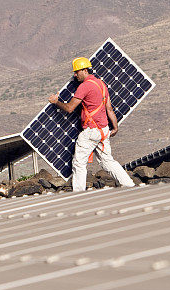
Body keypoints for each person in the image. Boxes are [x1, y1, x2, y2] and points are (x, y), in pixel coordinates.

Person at [48, 57, 135, 192]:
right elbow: (109, 109)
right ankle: (129, 185)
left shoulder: (84, 86)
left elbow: (70, 108)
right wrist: (115, 126)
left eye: (77, 72)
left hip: (91, 132)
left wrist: (56, 102)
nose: (75, 75)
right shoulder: (101, 84)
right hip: (104, 130)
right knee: (108, 161)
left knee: (79, 163)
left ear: (84, 70)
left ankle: (78, 193)